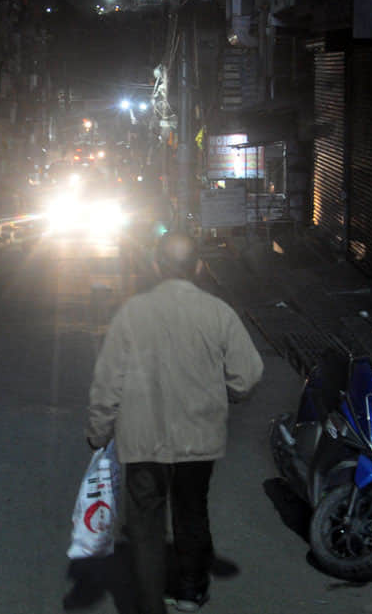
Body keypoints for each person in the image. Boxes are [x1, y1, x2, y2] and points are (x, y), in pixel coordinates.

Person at [85, 231, 264, 613]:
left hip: (142, 440)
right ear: (199, 267)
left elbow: (107, 379)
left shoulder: (132, 313)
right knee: (192, 509)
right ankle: (190, 590)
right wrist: (230, 391)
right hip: (198, 438)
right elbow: (247, 374)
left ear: (155, 267)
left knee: (146, 526)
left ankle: (151, 606)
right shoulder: (218, 312)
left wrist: (98, 430)